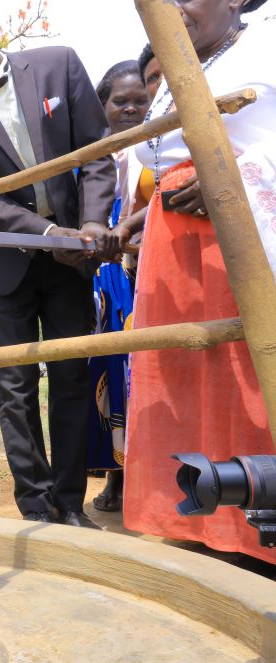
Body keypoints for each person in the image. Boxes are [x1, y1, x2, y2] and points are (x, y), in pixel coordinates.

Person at [0, 0, 117, 528]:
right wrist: (48, 233)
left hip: (72, 258)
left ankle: (71, 503)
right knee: (13, 387)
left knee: (71, 376)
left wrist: (92, 224)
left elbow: (97, 153)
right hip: (6, 264)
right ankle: (36, 507)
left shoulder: (59, 64)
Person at [118, 0, 276, 563]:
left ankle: (259, 534)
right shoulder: (176, 69)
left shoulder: (266, 44)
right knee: (185, 380)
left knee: (250, 378)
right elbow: (161, 158)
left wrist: (230, 184)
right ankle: (209, 526)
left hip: (243, 238)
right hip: (176, 250)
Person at [86, 62, 149, 513]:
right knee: (108, 370)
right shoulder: (90, 153)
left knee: (139, 369)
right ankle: (116, 474)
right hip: (103, 275)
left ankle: (147, 477)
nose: (130, 108)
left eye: (140, 101)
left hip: (140, 269)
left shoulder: (158, 147)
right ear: (102, 105)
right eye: (120, 101)